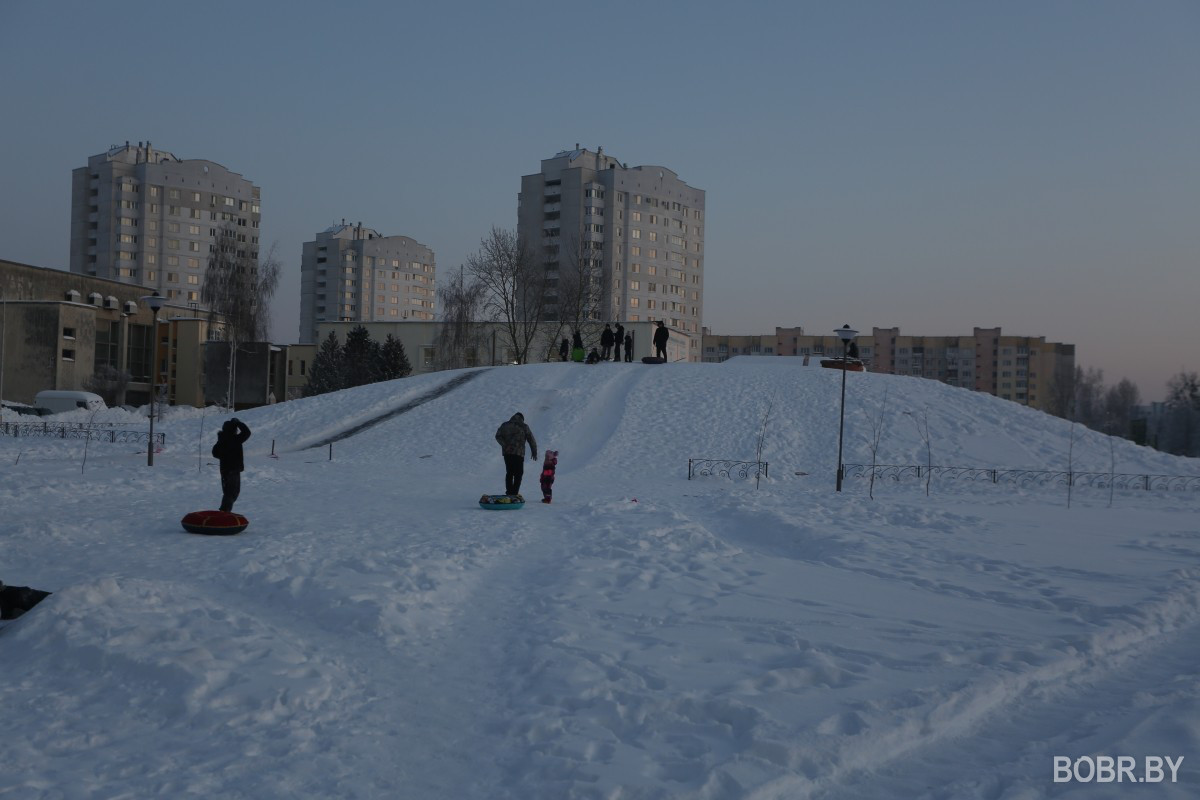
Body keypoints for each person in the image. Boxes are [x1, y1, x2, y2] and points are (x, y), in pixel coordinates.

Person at [211, 418, 252, 512]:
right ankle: (224, 513)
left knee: (228, 492)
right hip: (233, 470)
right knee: (232, 493)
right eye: (236, 429)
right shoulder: (235, 439)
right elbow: (247, 432)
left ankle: (224, 512)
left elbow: (215, 453)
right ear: (233, 430)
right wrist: (238, 423)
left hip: (225, 470)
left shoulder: (221, 440)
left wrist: (225, 456)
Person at [494, 412, 537, 497]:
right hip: (518, 453)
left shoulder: (504, 425)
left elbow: (497, 436)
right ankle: (514, 493)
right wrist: (534, 451)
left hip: (507, 453)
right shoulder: (524, 426)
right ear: (522, 419)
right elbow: (531, 439)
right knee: (518, 473)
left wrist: (505, 445)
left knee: (509, 472)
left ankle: (509, 492)